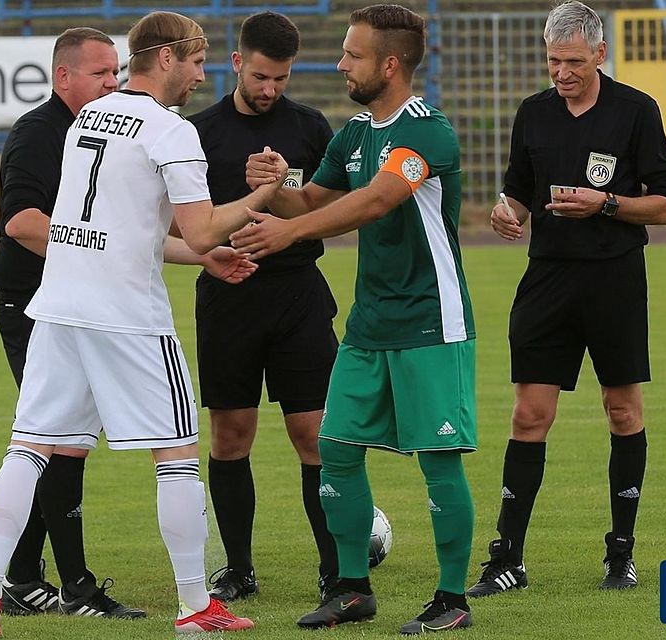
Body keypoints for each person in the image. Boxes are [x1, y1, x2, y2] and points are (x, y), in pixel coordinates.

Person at [0, 11, 288, 638]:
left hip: (59, 305)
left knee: (28, 446)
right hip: (128, 316)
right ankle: (196, 607)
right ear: (166, 57)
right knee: (177, 456)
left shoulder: (89, 118)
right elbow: (199, 225)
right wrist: (260, 198)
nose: (202, 74)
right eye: (196, 61)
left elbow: (119, 231)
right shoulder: (170, 131)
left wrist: (203, 256)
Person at [230, 4, 477, 633]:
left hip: (429, 321)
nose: (341, 63)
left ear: (390, 64)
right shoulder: (357, 132)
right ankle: (351, 589)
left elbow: (377, 199)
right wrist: (268, 187)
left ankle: (452, 599)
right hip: (370, 323)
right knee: (335, 449)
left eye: (353, 55)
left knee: (438, 460)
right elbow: (312, 197)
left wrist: (289, 233)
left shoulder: (427, 131)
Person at [465, 0, 666, 599]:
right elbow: (516, 192)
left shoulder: (636, 111)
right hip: (547, 280)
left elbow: (665, 205)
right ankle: (507, 557)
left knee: (622, 411)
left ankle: (621, 553)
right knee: (529, 415)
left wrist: (604, 204)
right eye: (554, 60)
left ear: (600, 54)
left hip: (613, 280)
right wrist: (507, 213)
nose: (561, 73)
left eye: (574, 62)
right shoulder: (533, 113)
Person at [187, 11, 340, 604]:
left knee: (315, 434)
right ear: (236, 63)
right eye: (260, 76)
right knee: (231, 433)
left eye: (280, 78)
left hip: (298, 294)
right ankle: (240, 569)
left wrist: (280, 190)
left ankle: (336, 568)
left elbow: (329, 214)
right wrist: (241, 205)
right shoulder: (198, 134)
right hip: (228, 297)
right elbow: (187, 221)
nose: (270, 89)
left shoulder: (309, 127)